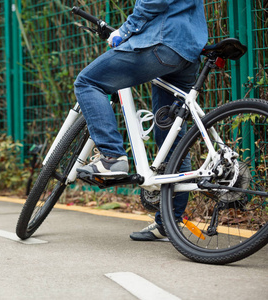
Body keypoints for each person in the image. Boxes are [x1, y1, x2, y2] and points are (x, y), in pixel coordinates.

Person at [74, 1, 208, 241]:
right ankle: (168, 223)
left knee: (87, 82)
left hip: (162, 44)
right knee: (169, 139)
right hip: (189, 50)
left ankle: (113, 157)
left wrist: (124, 31)